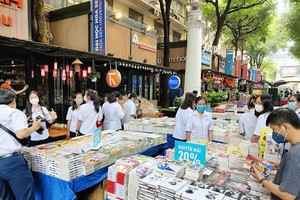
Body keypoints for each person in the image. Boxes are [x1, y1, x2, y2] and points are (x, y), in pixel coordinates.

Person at [0, 88, 41, 200]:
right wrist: (34, 127)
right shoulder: (14, 112)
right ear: (14, 100)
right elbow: (21, 134)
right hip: (12, 162)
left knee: (6, 197)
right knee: (25, 196)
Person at [250, 107, 300, 200]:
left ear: (285, 127)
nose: (273, 133)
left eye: (274, 129)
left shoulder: (294, 155)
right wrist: (282, 165)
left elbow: (287, 196)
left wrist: (261, 179)